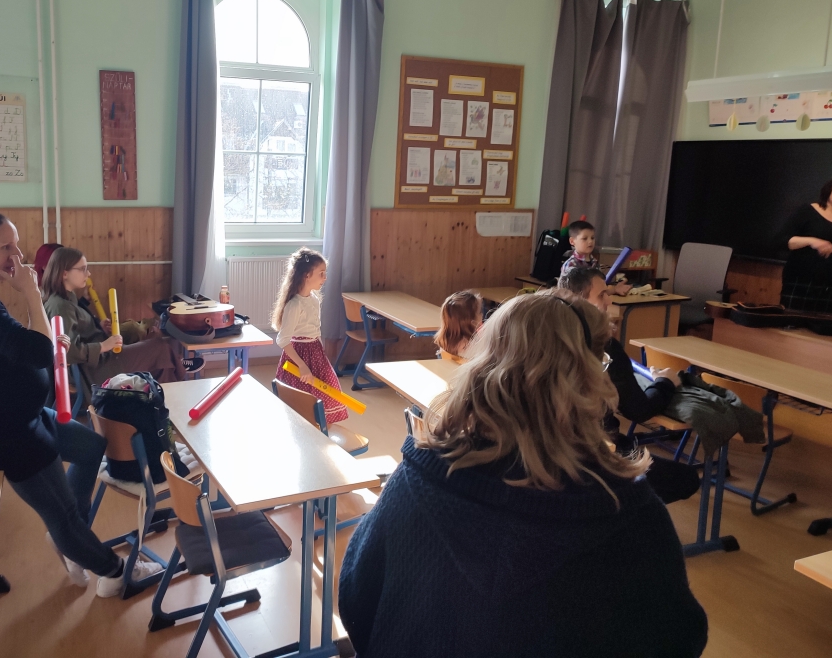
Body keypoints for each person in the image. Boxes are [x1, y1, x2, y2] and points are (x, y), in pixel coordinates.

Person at [338, 290, 707, 658]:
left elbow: (356, 596)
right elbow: (677, 638)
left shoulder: (417, 478)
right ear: (590, 378)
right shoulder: (631, 516)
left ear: (484, 364)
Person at [0, 210, 161, 598]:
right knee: (61, 513)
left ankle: (70, 533)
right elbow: (41, 352)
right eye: (6, 247)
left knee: (90, 446)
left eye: (16, 244)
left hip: (20, 416)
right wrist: (30, 291)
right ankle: (113, 573)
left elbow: (16, 346)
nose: (18, 255)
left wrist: (40, 335)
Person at [558, 267, 700, 504]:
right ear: (579, 301)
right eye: (602, 295)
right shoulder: (603, 346)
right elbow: (639, 410)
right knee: (686, 478)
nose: (609, 301)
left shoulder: (554, 338)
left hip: (566, 452)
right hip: (598, 452)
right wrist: (665, 382)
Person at [41, 246, 200, 386]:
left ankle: (167, 388)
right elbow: (68, 352)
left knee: (162, 353)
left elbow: (78, 333)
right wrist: (104, 346)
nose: (88, 273)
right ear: (64, 274)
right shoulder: (60, 305)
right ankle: (178, 370)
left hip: (102, 361)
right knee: (160, 348)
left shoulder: (65, 299)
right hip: (97, 369)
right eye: (83, 269)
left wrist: (97, 328)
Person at [272, 247, 348, 425]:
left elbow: (314, 331)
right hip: (299, 356)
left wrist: (319, 355)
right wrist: (302, 366)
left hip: (316, 353)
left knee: (327, 393)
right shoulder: (294, 305)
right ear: (307, 275)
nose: (325, 278)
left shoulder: (314, 299)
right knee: (301, 401)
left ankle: (320, 430)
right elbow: (283, 340)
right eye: (321, 273)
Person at [780, 172, 832, 315]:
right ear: (829, 189)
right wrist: (812, 241)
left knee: (825, 326)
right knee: (793, 324)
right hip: (800, 280)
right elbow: (780, 241)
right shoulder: (807, 211)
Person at [433, 290, 483, 359]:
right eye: (480, 312)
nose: (482, 315)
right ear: (471, 321)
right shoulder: (470, 345)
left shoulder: (445, 338)